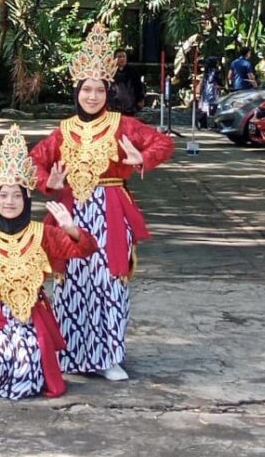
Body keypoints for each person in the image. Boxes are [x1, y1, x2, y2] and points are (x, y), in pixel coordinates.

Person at [30, 23, 174, 381]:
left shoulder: (123, 125)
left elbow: (162, 143)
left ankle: (108, 356)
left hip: (110, 209)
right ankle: (70, 356)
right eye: (86, 89)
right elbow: (32, 162)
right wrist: (48, 181)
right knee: (71, 281)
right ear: (77, 91)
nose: (92, 96)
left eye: (98, 90)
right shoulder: (62, 131)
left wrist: (141, 160)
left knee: (109, 281)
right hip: (71, 212)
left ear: (108, 92)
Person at [0, 125, 97, 399]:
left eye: (16, 195)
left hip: (31, 316)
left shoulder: (43, 234)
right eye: (3, 195)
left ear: (26, 199)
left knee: (28, 360)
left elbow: (85, 249)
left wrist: (71, 228)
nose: (9, 201)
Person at [108, 49, 145, 116]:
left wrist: (141, 99)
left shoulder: (132, 71)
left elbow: (138, 86)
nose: (122, 59)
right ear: (114, 59)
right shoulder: (109, 72)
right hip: (114, 106)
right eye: (119, 57)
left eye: (124, 56)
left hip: (130, 105)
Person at [196, 56, 221, 129]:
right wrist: (222, 85)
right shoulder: (215, 71)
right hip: (213, 90)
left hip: (206, 89)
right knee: (214, 107)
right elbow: (215, 80)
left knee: (205, 106)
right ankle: (213, 124)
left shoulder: (206, 71)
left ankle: (203, 122)